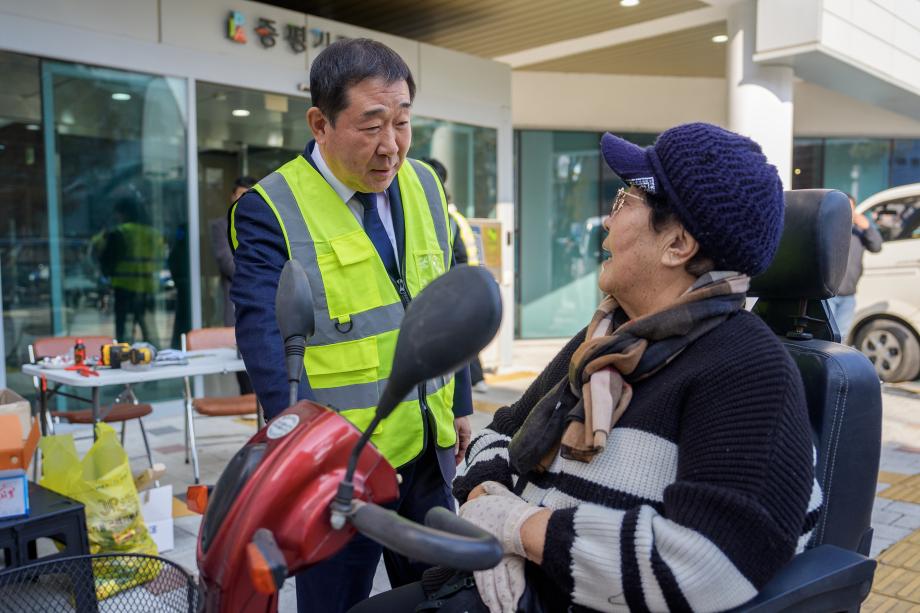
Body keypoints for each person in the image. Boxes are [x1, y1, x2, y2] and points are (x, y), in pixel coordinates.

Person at [354, 123, 822, 613]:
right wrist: (491, 505)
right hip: (504, 586)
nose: (605, 222)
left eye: (623, 202)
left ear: (678, 245)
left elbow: (708, 561)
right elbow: (501, 435)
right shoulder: (608, 338)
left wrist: (520, 530)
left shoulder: (748, 370)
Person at [229, 38, 473, 613]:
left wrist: (460, 399)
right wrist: (298, 456)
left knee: (442, 596)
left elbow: (445, 301)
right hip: (340, 470)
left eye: (404, 123)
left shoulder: (425, 187)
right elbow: (266, 341)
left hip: (428, 448)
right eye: (370, 127)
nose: (391, 147)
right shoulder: (271, 208)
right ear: (320, 122)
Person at [421, 157, 489, 393]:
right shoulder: (454, 215)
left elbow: (457, 257)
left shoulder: (444, 218)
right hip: (467, 284)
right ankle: (474, 380)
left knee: (458, 338)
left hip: (459, 287)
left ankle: (473, 380)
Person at [98, 187, 165, 347]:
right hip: (147, 289)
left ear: (124, 214)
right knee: (150, 333)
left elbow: (107, 259)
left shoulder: (119, 233)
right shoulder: (154, 234)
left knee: (125, 338)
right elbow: (160, 260)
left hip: (124, 290)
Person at [209, 176, 256, 394]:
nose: (243, 200)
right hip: (236, 301)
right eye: (240, 195)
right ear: (232, 196)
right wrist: (262, 272)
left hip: (268, 302)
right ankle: (249, 411)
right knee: (244, 367)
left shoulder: (262, 224)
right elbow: (227, 262)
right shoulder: (221, 226)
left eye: (249, 195)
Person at [826, 193, 882, 342]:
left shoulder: (860, 231)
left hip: (849, 295)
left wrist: (868, 227)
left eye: (851, 209)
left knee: (841, 337)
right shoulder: (830, 227)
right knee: (826, 335)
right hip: (829, 294)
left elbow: (877, 246)